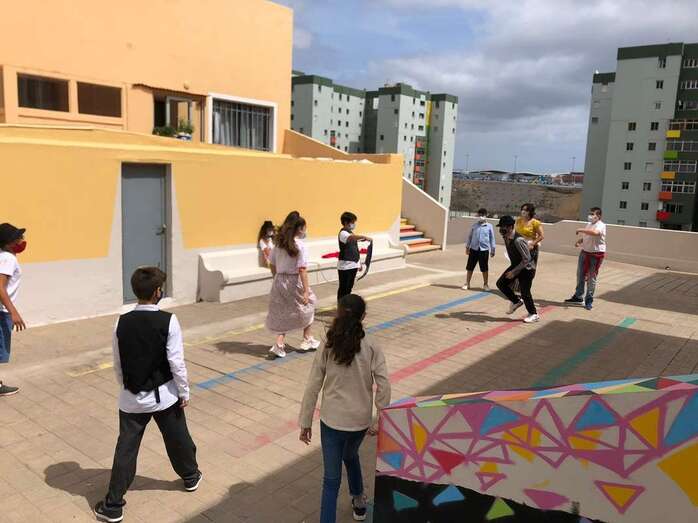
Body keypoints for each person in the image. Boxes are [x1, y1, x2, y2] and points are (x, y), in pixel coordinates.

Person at [94, 267, 201, 523]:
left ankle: (113, 505)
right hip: (165, 395)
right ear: (157, 292)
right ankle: (190, 477)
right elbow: (176, 362)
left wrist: (126, 387)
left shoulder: (121, 321)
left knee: (126, 449)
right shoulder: (169, 320)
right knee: (178, 438)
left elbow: (117, 362)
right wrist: (184, 391)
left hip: (131, 398)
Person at [299, 294, 391, 523]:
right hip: (360, 422)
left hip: (331, 421)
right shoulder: (371, 344)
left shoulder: (328, 343)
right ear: (364, 316)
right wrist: (380, 418)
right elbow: (384, 383)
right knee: (350, 455)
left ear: (338, 313)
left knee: (331, 481)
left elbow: (313, 384)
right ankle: (359, 502)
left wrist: (305, 421)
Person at [266, 216, 320, 358]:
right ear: (299, 229)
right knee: (308, 304)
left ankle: (279, 344)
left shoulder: (279, 244)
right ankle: (307, 337)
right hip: (294, 280)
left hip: (279, 280)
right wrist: (306, 291)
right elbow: (302, 269)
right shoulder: (300, 245)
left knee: (283, 311)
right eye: (304, 227)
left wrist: (276, 277)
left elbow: (271, 263)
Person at [495, 216, 539, 323]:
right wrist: (514, 269)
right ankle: (516, 301)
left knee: (525, 292)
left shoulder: (518, 240)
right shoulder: (506, 237)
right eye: (500, 227)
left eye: (503, 227)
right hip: (516, 265)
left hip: (527, 268)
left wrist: (514, 272)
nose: (501, 229)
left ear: (511, 227)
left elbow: (527, 259)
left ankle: (534, 314)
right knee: (501, 283)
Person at [0, 223, 27, 397]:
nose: (21, 240)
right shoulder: (8, 259)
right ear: (9, 242)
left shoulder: (3, 256)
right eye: (18, 237)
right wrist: (13, 312)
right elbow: (0, 287)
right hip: (2, 311)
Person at [565, 207, 607, 310]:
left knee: (591, 278)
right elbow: (587, 236)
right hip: (584, 253)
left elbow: (595, 233)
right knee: (580, 275)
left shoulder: (601, 225)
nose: (590, 216)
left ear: (599, 216)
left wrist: (580, 229)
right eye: (590, 213)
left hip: (595, 255)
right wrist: (580, 241)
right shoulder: (589, 224)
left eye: (593, 214)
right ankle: (578, 296)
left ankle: (589, 300)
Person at [337, 211, 372, 301]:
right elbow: (351, 238)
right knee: (343, 289)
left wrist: (358, 264)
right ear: (346, 222)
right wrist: (364, 237)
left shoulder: (351, 233)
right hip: (345, 266)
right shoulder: (343, 233)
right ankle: (341, 305)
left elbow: (355, 249)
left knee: (349, 288)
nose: (354, 224)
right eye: (352, 222)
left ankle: (346, 304)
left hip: (353, 265)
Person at [462, 208, 495, 291]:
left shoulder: (489, 226)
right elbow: (470, 237)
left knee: (484, 268)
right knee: (470, 267)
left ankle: (485, 284)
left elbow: (492, 238)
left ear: (486, 215)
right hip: (474, 249)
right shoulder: (474, 226)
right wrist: (467, 247)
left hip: (484, 250)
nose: (481, 217)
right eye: (479, 215)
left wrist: (493, 249)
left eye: (482, 215)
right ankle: (467, 283)